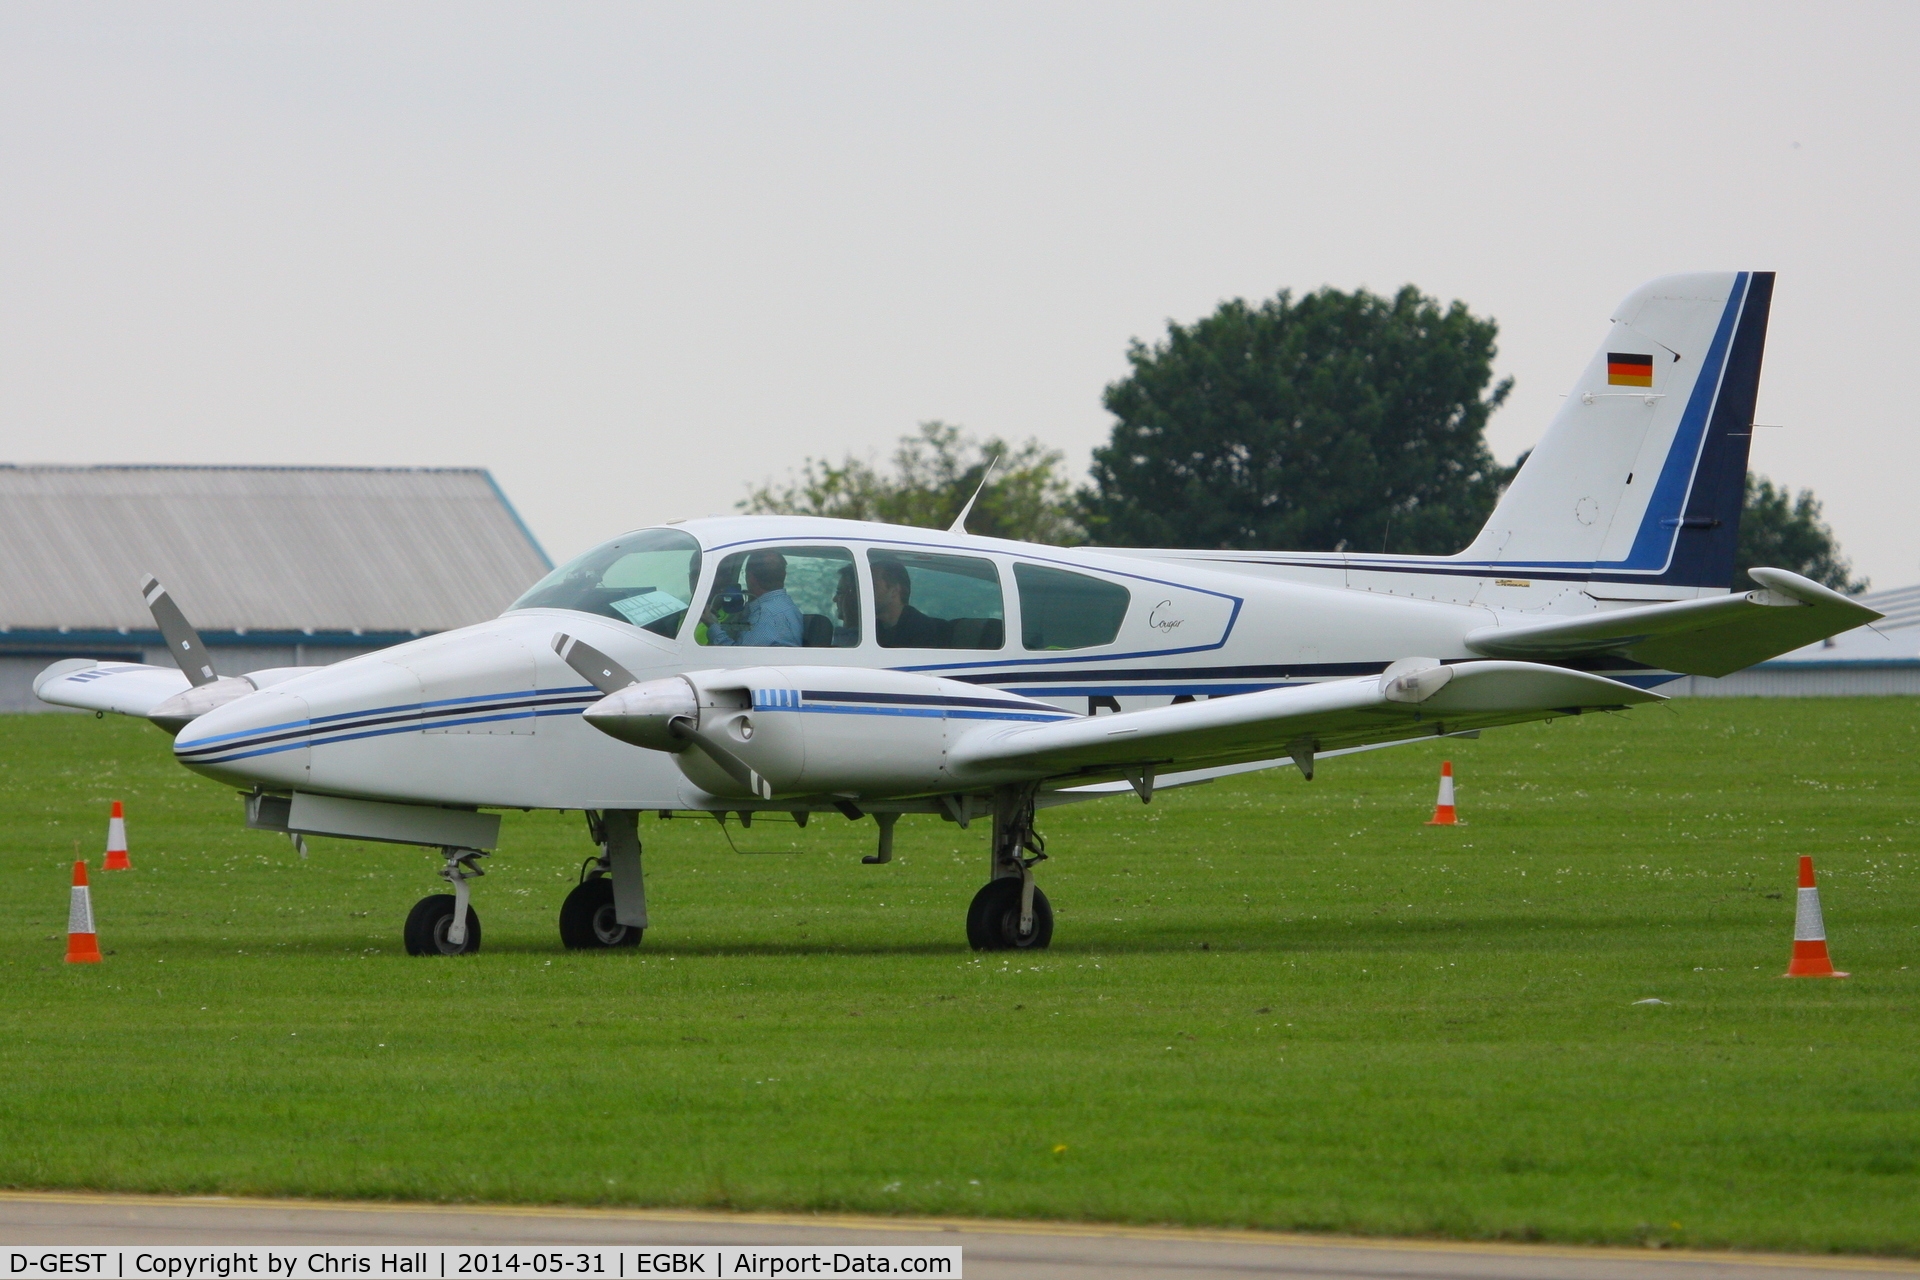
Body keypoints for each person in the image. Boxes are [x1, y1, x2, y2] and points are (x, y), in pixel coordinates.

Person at [704, 549, 803, 646]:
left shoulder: (764, 615)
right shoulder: (786, 605)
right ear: (784, 575)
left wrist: (712, 625)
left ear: (750, 578)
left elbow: (739, 658)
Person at [872, 559, 948, 648]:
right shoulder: (872, 626)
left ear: (894, 591)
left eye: (874, 586)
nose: (865, 592)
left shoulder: (922, 630)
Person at [832, 565, 861, 647]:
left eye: (840, 593)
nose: (834, 599)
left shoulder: (854, 641)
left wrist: (848, 615)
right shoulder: (840, 636)